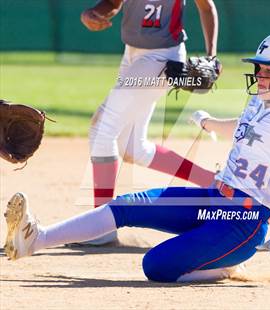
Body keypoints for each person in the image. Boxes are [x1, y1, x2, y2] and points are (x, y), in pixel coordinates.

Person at [4, 33, 270, 282]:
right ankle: (35, 239)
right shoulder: (259, 103)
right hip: (215, 198)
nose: (260, 76)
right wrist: (207, 122)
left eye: (269, 71)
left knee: (156, 266)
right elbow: (243, 127)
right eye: (259, 69)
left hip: (245, 221)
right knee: (126, 205)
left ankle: (225, 265)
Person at [79, 0, 220, 245]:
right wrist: (93, 14)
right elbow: (113, 3)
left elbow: (206, 7)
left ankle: (100, 227)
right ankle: (214, 182)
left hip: (162, 59)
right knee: (134, 148)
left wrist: (212, 55)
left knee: (102, 129)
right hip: (132, 55)